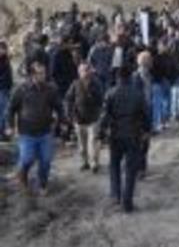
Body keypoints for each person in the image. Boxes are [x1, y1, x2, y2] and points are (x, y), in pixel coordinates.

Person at [7, 61, 64, 196]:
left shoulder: (51, 89)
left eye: (44, 73)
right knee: (27, 159)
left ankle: (42, 183)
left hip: (45, 132)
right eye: (40, 73)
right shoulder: (21, 90)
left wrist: (63, 121)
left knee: (46, 161)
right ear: (32, 75)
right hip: (27, 133)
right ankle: (23, 177)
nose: (44, 76)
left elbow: (59, 107)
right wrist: (9, 126)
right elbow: (10, 109)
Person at [99, 65, 150, 213]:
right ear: (130, 77)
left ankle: (116, 195)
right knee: (130, 169)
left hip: (116, 135)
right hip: (133, 134)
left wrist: (101, 133)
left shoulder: (111, 93)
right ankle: (127, 202)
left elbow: (105, 115)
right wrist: (147, 131)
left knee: (114, 166)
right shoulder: (138, 94)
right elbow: (146, 114)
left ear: (117, 78)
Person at [64, 63, 103, 173]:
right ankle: (84, 162)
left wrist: (99, 111)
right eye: (82, 71)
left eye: (87, 70)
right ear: (79, 72)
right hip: (79, 118)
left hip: (93, 118)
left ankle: (94, 163)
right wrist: (69, 114)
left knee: (93, 141)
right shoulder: (75, 84)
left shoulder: (96, 84)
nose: (85, 73)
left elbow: (101, 99)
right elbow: (68, 99)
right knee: (82, 144)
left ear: (91, 71)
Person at [132, 51, 154, 178]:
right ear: (144, 62)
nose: (152, 62)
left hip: (148, 112)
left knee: (146, 142)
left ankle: (141, 166)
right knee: (139, 142)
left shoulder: (149, 76)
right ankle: (139, 168)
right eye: (150, 60)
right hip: (139, 115)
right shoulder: (135, 77)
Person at [0, 40, 13, 141]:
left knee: (5, 111)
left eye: (4, 48)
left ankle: (4, 132)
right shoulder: (3, 60)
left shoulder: (6, 59)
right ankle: (2, 132)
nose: (3, 50)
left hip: (6, 88)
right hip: (2, 89)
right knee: (3, 111)